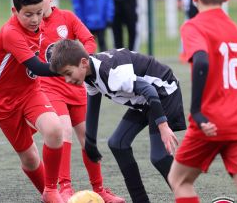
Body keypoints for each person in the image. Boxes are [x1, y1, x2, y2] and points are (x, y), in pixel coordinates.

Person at [24, 0, 124, 203]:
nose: (39, 2)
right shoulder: (31, 27)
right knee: (64, 130)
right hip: (49, 88)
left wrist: (80, 62)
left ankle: (99, 189)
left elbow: (88, 40)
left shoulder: (67, 18)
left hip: (76, 88)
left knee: (88, 138)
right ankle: (64, 187)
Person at [50, 39, 187, 202]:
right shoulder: (89, 74)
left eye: (68, 73)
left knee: (159, 157)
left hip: (164, 94)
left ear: (83, 63)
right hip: (144, 100)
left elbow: (149, 90)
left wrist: (163, 125)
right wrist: (90, 142)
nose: (67, 80)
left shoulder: (111, 72)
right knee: (117, 143)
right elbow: (93, 105)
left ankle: (188, 197)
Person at [168, 0, 237, 202]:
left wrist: (197, 112)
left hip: (209, 122)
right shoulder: (234, 30)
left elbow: (201, 61)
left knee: (179, 180)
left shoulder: (193, 26)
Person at [0, 0, 65, 203]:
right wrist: (69, 70)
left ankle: (52, 191)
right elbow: (37, 67)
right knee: (29, 158)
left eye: (39, 13)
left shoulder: (40, 20)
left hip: (30, 91)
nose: (35, 20)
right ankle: (47, 194)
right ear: (14, 11)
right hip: (3, 101)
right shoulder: (10, 33)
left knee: (55, 129)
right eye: (28, 14)